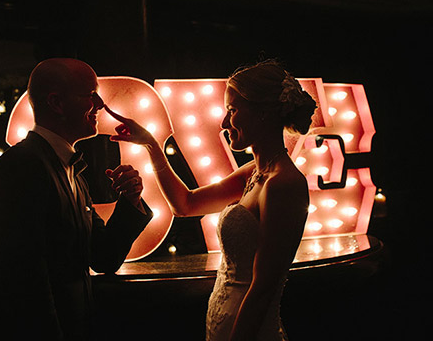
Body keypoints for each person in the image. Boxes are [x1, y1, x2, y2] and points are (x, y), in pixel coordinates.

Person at [105, 61, 317, 340]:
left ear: (263, 113)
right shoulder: (251, 173)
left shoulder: (284, 184)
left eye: (232, 110)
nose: (224, 123)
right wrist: (151, 145)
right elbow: (185, 205)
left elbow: (263, 288)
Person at [0, 58, 153, 340]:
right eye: (90, 94)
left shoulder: (70, 169)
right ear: (56, 103)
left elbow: (103, 257)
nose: (101, 104)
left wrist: (130, 201)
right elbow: (24, 286)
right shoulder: (21, 167)